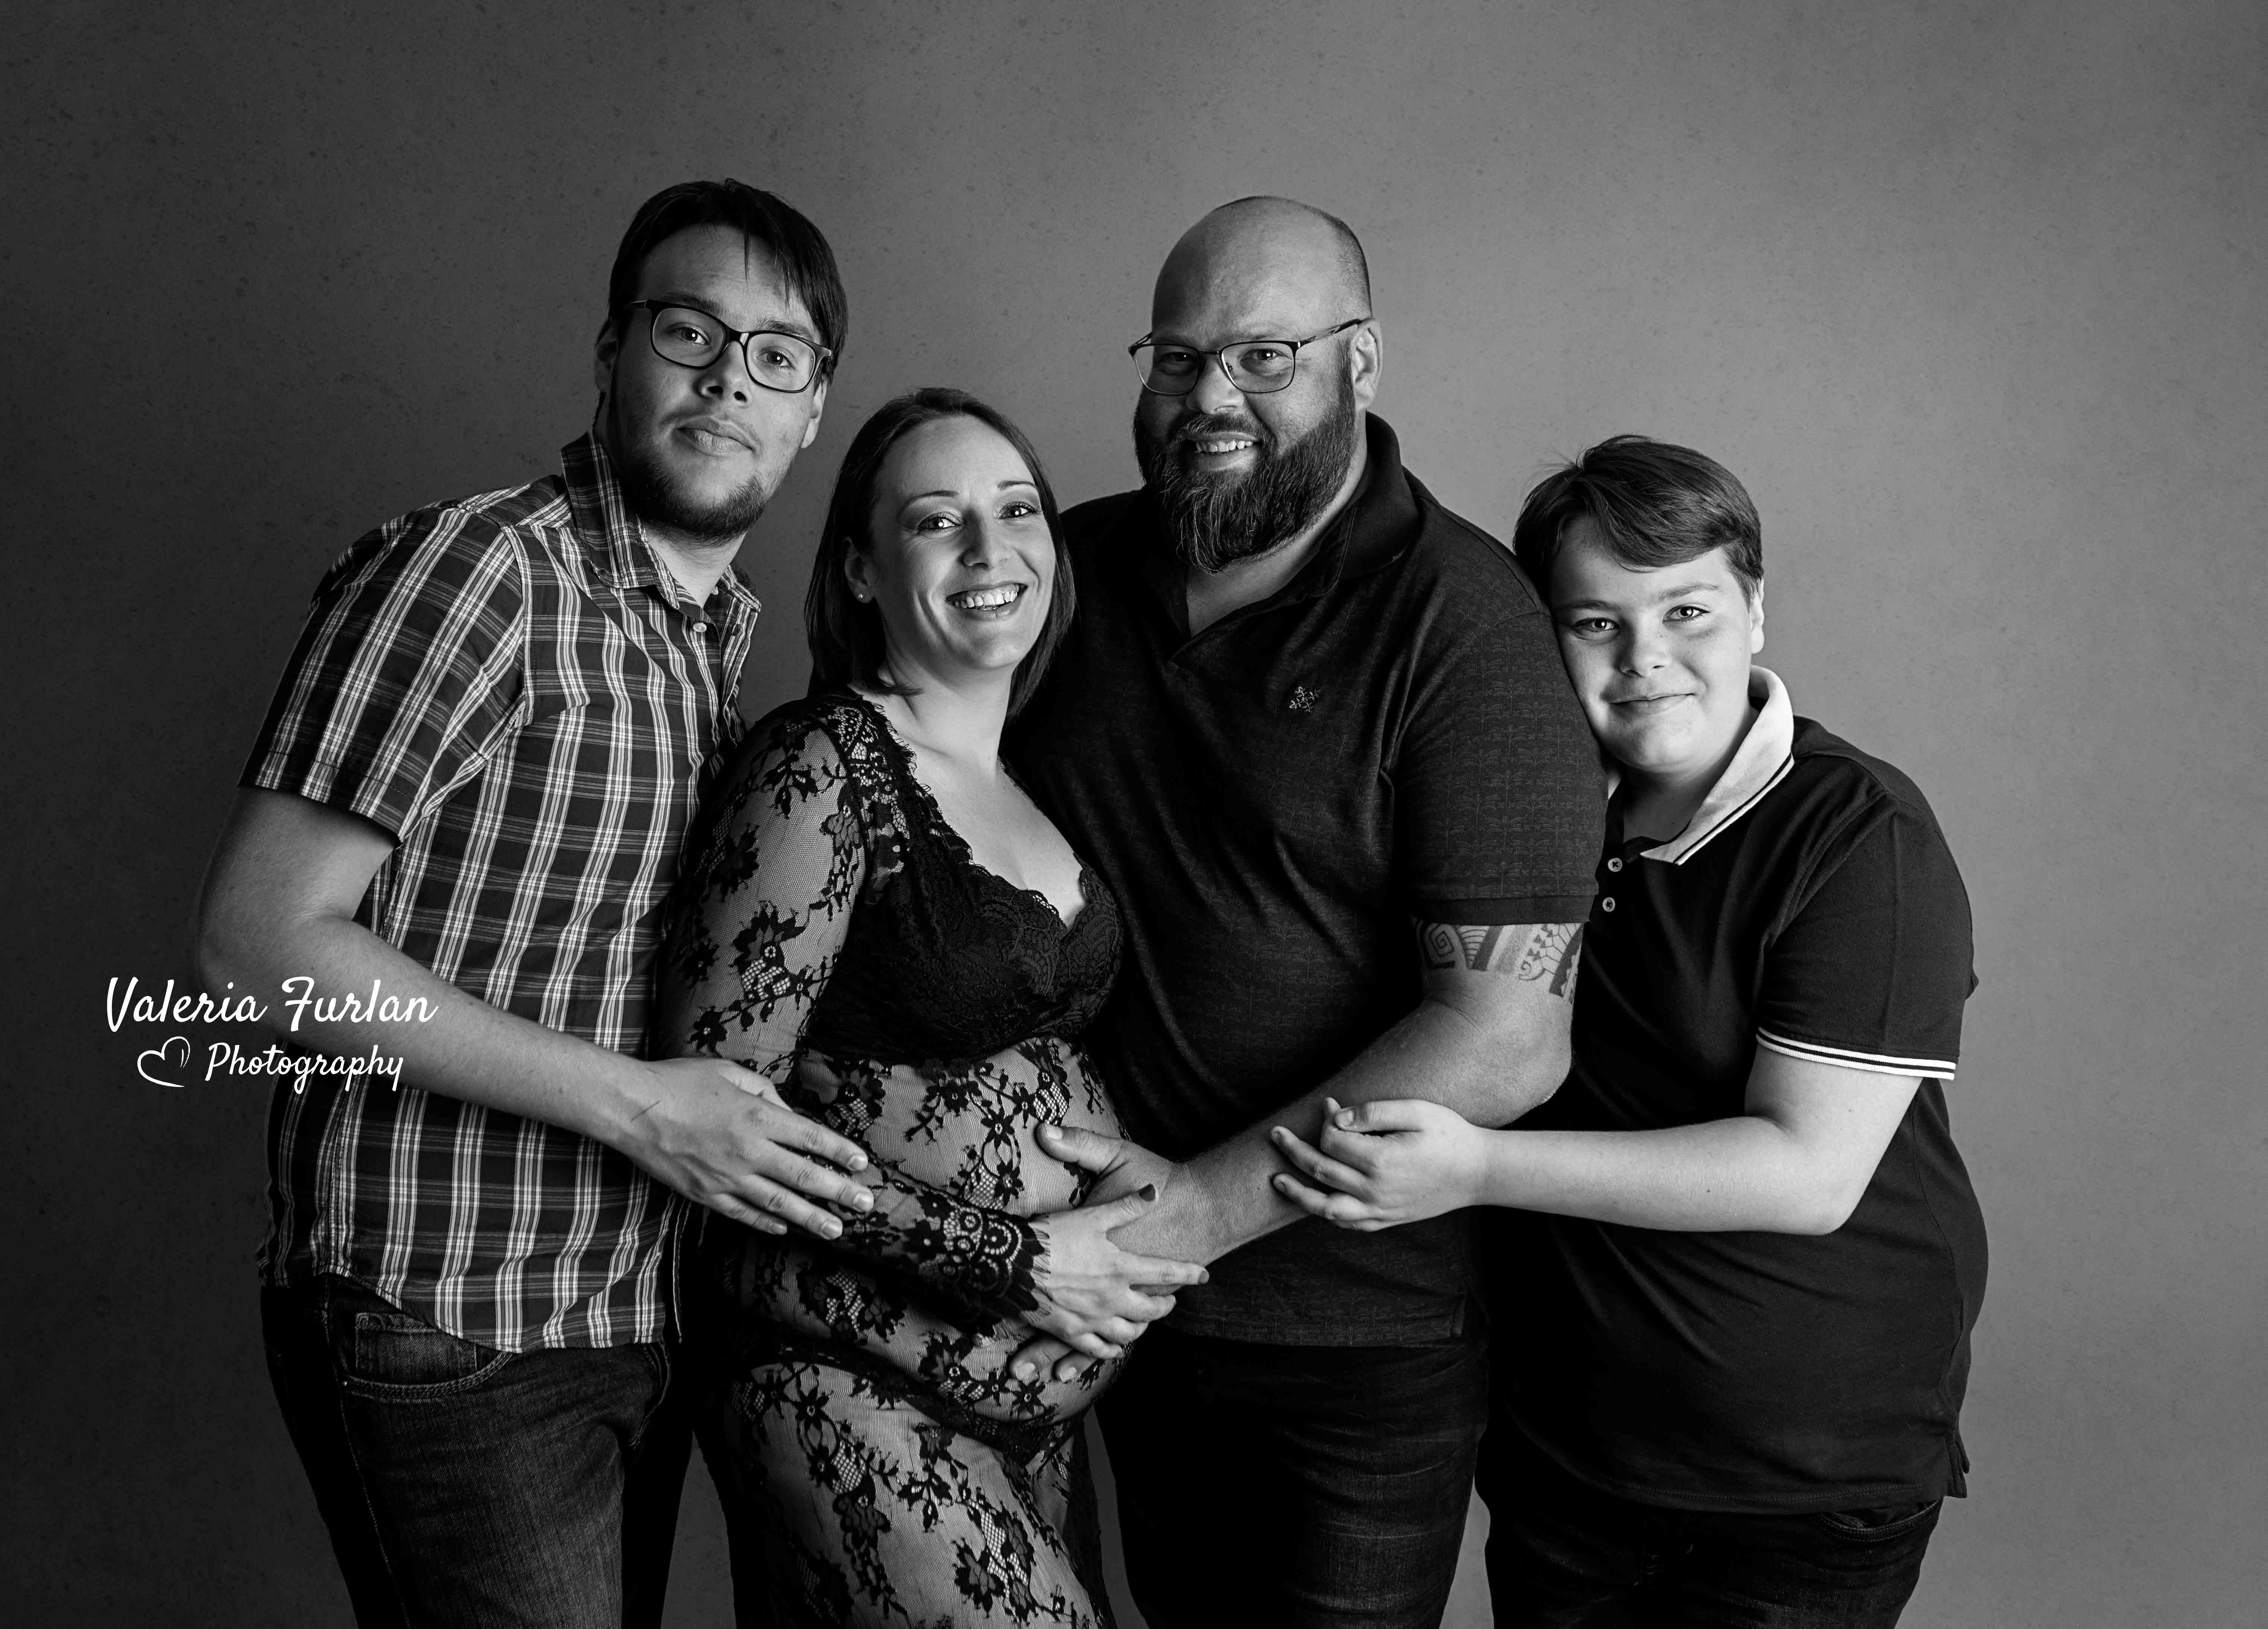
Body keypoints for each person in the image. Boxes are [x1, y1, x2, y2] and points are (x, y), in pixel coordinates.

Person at [191, 179, 876, 1629]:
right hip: (448, 1315)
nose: (724, 378)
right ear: (613, 349)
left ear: (813, 407)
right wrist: (641, 1106)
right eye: (687, 329)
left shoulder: (716, 639)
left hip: (630, 1308)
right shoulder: (482, 575)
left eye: (774, 354)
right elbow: (256, 944)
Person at [1004, 197, 1611, 1627]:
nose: (1210, 397)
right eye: (1175, 356)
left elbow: (1509, 1041)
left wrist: (1194, 1215)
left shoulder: (1465, 625)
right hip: (1101, 1303)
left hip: (1353, 1343)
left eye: (1263, 357)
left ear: (1362, 360)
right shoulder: (1064, 576)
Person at [1271, 436, 1985, 1627]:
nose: (1644, 658)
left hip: (1799, 1473)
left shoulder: (1858, 834)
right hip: (1571, 1456)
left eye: (1687, 611)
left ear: (1755, 611)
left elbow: (1807, 1172)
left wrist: (1477, 1170)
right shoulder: (1528, 814)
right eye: (1593, 623)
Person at [656, 387, 1205, 1628]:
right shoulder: (822, 765)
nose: (986, 549)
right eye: (934, 522)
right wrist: (1009, 1256)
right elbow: (715, 1122)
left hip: (1028, 1402)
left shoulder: (1024, 787)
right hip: (841, 1376)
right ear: (859, 567)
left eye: (1015, 511)